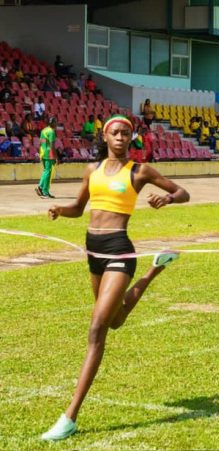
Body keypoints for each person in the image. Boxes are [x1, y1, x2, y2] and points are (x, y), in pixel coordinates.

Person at [40, 115, 189, 441]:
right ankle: (155, 269)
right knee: (116, 320)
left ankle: (69, 417)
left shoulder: (139, 171)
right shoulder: (92, 170)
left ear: (131, 138)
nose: (121, 137)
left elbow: (183, 192)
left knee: (96, 330)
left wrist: (167, 198)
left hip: (119, 251)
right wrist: (60, 210)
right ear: (105, 136)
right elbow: (80, 208)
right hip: (93, 249)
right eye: (116, 133)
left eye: (126, 133)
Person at [35, 117, 59, 199]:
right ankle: (45, 192)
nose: (56, 124)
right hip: (50, 154)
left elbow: (41, 143)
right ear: (52, 123)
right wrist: (56, 157)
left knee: (46, 171)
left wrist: (40, 153)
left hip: (43, 153)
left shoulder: (44, 130)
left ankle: (40, 187)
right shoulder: (51, 132)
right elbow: (52, 146)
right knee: (48, 172)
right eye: (55, 122)